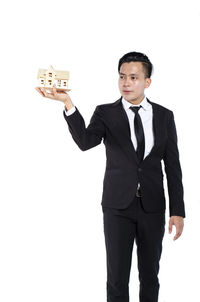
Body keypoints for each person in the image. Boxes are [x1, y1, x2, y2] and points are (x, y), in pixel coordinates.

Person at [35, 51, 186, 302]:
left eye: (134, 77)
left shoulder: (164, 116)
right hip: (117, 207)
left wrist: (177, 211)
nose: (126, 82)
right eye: (122, 76)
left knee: (150, 276)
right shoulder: (106, 113)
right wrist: (67, 103)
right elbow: (85, 141)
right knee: (116, 278)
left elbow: (173, 166)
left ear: (147, 82)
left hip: (152, 206)